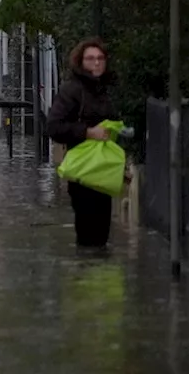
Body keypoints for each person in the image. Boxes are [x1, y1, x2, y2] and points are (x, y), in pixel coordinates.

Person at [46, 38, 120, 248]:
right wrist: (87, 132)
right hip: (83, 171)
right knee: (88, 234)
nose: (96, 63)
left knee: (102, 234)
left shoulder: (109, 90)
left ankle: (96, 276)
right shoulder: (72, 90)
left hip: (104, 171)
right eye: (90, 59)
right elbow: (54, 127)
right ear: (80, 62)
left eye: (100, 58)